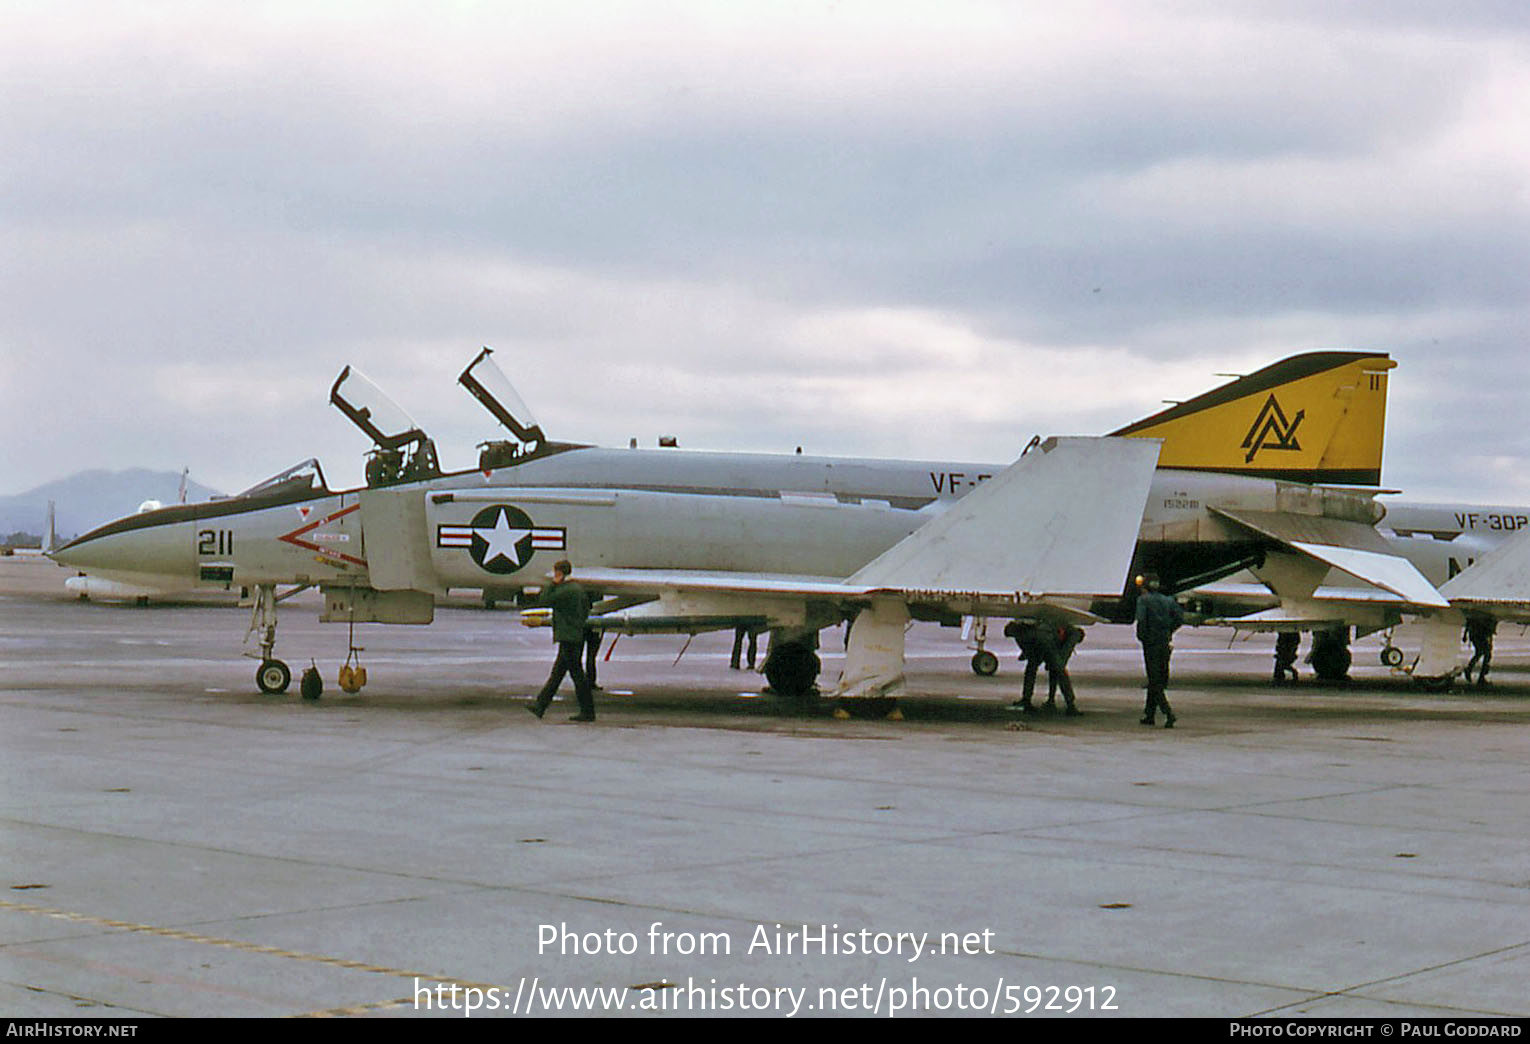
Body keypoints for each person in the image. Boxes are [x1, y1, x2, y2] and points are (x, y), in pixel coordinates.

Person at [529, 560, 596, 722]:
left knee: (576, 676)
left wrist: (552, 584)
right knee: (558, 674)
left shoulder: (567, 590)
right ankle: (540, 705)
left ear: (560, 573)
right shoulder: (577, 589)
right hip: (574, 636)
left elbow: (544, 600)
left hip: (569, 637)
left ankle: (588, 711)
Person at [1135, 576, 1183, 728]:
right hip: (1164, 641)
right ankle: (1149, 714)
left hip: (1151, 643)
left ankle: (1168, 713)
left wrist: (1142, 637)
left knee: (1154, 680)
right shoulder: (1168, 600)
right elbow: (1179, 618)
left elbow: (1141, 621)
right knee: (1158, 678)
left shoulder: (1143, 600)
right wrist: (1169, 631)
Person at [1465, 615, 1497, 687]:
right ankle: (1480, 676)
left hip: (1476, 633)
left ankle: (1470, 669)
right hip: (1481, 633)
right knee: (1486, 654)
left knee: (1480, 653)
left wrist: (1466, 634)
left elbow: (1469, 621)